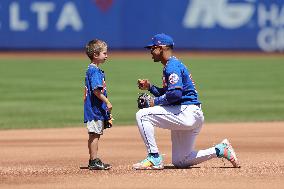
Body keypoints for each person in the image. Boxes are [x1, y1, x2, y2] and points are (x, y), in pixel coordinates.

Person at [133, 33, 240, 170]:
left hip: (186, 112)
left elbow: (175, 95)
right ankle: (220, 149)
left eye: (153, 48)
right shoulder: (172, 65)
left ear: (162, 48)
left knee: (142, 115)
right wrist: (151, 88)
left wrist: (154, 102)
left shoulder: (172, 66)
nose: (151, 52)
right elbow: (172, 93)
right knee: (181, 160)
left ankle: (154, 157)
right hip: (189, 113)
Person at [84, 39, 113, 170]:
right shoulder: (94, 71)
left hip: (93, 108)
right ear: (95, 55)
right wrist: (107, 102)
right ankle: (94, 160)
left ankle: (93, 160)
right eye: (104, 53)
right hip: (94, 109)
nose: (106, 56)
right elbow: (96, 91)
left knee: (94, 134)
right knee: (95, 134)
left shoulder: (92, 69)